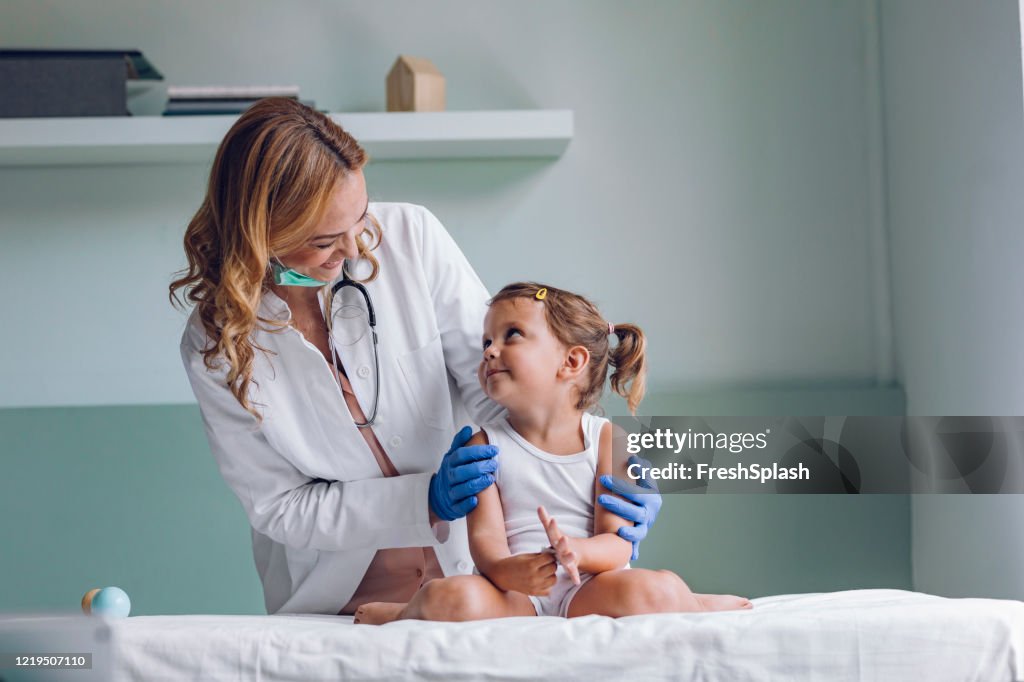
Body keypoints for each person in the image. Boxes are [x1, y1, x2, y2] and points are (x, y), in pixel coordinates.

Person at [169, 98, 663, 616]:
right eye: (324, 242)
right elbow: (281, 506)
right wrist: (426, 498)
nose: (358, 252)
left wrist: (590, 469)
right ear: (260, 236)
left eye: (359, 219)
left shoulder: (411, 238)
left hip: (478, 571)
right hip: (334, 591)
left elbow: (502, 388)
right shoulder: (213, 345)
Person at [354, 283, 751, 624]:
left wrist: (575, 551)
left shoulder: (609, 439)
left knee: (656, 588)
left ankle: (695, 603)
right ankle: (401, 614)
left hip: (591, 587)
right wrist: (511, 571)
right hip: (517, 593)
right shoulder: (483, 445)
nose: (490, 351)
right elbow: (487, 545)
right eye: (486, 342)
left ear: (572, 361)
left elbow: (618, 543)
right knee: (450, 597)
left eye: (511, 335)